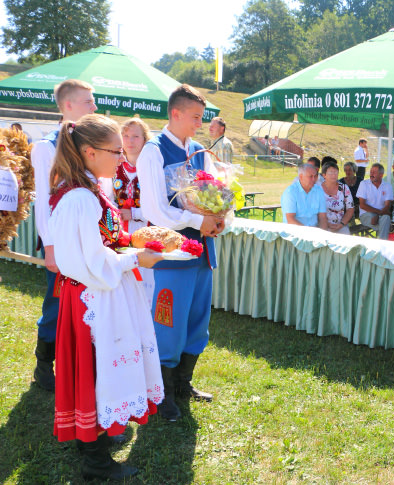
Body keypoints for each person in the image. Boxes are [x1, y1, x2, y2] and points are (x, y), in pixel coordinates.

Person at [48, 114, 164, 480]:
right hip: (92, 301)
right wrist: (135, 258)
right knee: (95, 372)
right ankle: (94, 462)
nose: (122, 158)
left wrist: (133, 242)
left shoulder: (94, 189)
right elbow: (88, 262)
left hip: (105, 294)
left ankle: (95, 436)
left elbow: (103, 243)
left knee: (102, 371)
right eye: (115, 151)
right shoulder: (79, 198)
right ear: (88, 151)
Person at [137, 84, 224, 422]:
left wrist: (219, 217)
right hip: (173, 256)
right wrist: (196, 219)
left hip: (202, 248)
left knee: (197, 320)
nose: (199, 124)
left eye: (201, 118)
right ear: (175, 114)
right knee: (168, 321)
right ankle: (160, 394)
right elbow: (155, 209)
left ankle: (182, 383)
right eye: (195, 118)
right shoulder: (153, 151)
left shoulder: (200, 150)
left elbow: (216, 192)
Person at [30, 79, 97, 392]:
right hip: (61, 242)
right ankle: (44, 364)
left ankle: (79, 363)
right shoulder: (46, 147)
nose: (94, 106)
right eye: (88, 101)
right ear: (68, 105)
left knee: (88, 304)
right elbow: (43, 201)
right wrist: (51, 246)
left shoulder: (90, 142)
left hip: (91, 241)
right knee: (56, 305)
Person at [113, 118, 154, 304]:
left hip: (146, 231)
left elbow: (158, 206)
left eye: (136, 136)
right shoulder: (113, 166)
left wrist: (135, 213)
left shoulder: (152, 168)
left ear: (145, 139)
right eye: (126, 136)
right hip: (118, 232)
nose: (130, 141)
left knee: (145, 281)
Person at [281, 163, 327, 228]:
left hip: (314, 231)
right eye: (310, 176)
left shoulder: (319, 190)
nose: (313, 179)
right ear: (301, 177)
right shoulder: (290, 192)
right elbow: (290, 219)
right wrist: (308, 233)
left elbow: (322, 217)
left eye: (315, 176)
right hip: (294, 232)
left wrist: (323, 234)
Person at [357, 163, 393, 239]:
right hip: (366, 214)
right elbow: (362, 205)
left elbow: (387, 206)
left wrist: (378, 215)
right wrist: (379, 213)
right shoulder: (364, 184)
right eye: (371, 172)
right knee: (386, 223)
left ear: (381, 175)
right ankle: (382, 246)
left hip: (381, 215)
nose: (371, 174)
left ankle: (380, 245)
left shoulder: (387, 186)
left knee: (386, 218)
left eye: (374, 172)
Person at [321, 160, 354, 234]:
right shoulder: (317, 189)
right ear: (324, 175)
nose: (334, 175)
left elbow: (350, 209)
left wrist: (341, 224)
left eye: (336, 172)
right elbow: (314, 210)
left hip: (341, 225)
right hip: (322, 225)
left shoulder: (344, 188)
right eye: (330, 172)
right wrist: (326, 224)